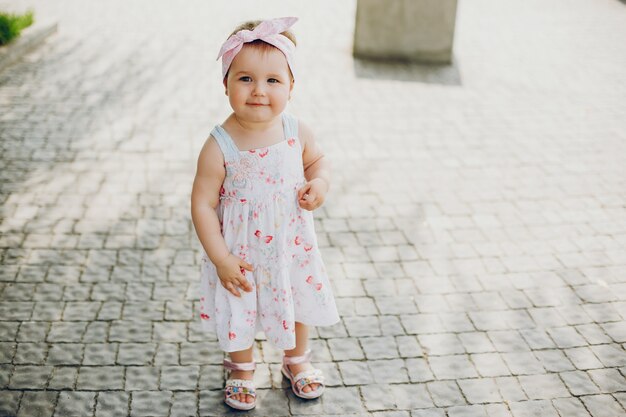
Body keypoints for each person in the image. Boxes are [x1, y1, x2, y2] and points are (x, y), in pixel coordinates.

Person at [190, 16, 340, 411]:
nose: (259, 91)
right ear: (225, 84)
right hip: (239, 252)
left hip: (290, 246)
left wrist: (319, 185)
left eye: (273, 80)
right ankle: (240, 368)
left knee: (299, 297)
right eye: (245, 79)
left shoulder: (296, 131)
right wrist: (221, 258)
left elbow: (318, 161)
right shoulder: (219, 144)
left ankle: (296, 360)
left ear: (291, 87)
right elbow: (202, 203)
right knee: (238, 305)